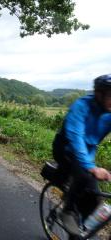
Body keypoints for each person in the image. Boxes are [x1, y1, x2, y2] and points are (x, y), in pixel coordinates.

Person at [52, 74, 111, 236]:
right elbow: (75, 137)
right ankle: (67, 210)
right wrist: (91, 167)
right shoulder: (81, 106)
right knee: (85, 176)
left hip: (87, 155)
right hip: (65, 149)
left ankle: (79, 233)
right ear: (99, 93)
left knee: (93, 200)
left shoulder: (109, 112)